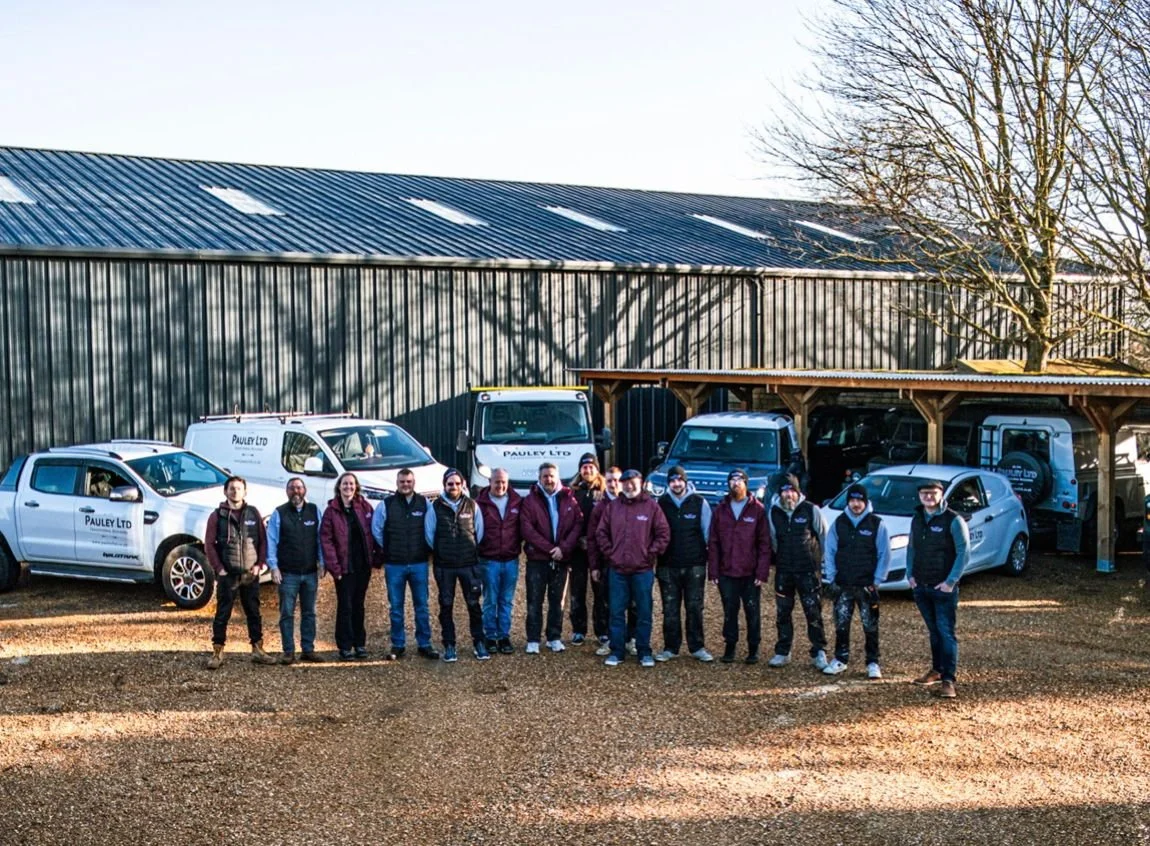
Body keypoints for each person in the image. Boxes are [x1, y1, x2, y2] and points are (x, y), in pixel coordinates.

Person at [595, 468, 671, 668]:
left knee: (644, 611)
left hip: (642, 570)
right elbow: (601, 533)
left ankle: (644, 651)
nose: (629, 485)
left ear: (641, 483)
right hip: (618, 569)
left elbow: (663, 533)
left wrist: (650, 554)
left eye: (633, 482)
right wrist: (611, 554)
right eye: (626, 482)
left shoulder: (652, 507)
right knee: (616, 611)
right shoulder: (613, 507)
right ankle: (617, 651)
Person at [204, 476, 276, 669]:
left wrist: (260, 564)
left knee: (253, 612)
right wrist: (219, 568)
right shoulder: (217, 516)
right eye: (232, 489)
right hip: (228, 574)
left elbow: (262, 540)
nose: (235, 492)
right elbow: (209, 544)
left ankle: (258, 649)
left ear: (245, 492)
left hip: (250, 574)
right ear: (225, 491)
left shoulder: (253, 513)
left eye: (239, 489)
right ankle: (217, 651)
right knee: (223, 613)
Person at [907, 478, 969, 699]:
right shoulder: (917, 518)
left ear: (941, 494)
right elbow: (911, 547)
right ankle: (936, 669)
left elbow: (963, 553)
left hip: (943, 587)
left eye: (932, 493)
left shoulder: (953, 520)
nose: (928, 497)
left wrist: (950, 582)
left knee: (946, 632)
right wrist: (909, 574)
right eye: (924, 493)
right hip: (921, 585)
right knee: (933, 631)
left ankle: (948, 680)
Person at [370, 467, 439, 661]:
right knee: (396, 607)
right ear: (397, 483)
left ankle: (424, 644)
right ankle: (398, 644)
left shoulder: (425, 504)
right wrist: (390, 548)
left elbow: (431, 530)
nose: (405, 485)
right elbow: (377, 530)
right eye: (402, 482)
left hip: (419, 563)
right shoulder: (386, 505)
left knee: (422, 606)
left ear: (414, 483)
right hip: (395, 565)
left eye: (408, 481)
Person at [822, 483, 890, 679]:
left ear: (866, 501)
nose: (856, 504)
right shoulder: (839, 523)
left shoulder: (877, 524)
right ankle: (840, 659)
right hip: (843, 584)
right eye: (852, 500)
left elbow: (884, 553)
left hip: (867, 585)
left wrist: (877, 580)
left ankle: (873, 662)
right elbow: (830, 550)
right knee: (841, 624)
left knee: (870, 625)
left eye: (859, 500)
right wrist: (832, 576)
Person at [766, 473, 830, 671]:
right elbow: (774, 541)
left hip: (808, 571)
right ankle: (783, 651)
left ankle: (819, 651)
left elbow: (824, 536)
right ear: (780, 493)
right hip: (784, 571)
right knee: (783, 613)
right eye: (785, 491)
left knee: (813, 612)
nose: (789, 495)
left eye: (792, 490)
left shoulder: (811, 510)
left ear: (798, 492)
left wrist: (824, 564)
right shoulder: (773, 513)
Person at [707, 468, 771, 664]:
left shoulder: (757, 510)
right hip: (727, 571)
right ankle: (730, 646)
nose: (736, 483)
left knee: (752, 611)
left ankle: (754, 648)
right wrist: (714, 570)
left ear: (746, 483)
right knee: (729, 611)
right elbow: (714, 541)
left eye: (740, 480)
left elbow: (764, 543)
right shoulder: (720, 510)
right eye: (732, 480)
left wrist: (762, 571)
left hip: (750, 572)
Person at [519, 462, 583, 654]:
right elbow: (527, 529)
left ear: (558, 477)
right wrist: (550, 549)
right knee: (534, 600)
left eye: (551, 476)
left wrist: (563, 548)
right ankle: (533, 639)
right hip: (538, 558)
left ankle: (554, 637)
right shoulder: (530, 501)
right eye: (545, 476)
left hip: (561, 558)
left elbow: (577, 524)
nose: (548, 479)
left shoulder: (569, 499)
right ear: (539, 478)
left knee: (558, 601)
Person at [424, 468, 487, 662]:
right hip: (445, 566)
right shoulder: (434, 508)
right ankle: (449, 645)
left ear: (463, 485)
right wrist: (441, 552)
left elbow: (479, 532)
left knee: (474, 604)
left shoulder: (472, 505)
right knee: (446, 605)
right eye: (450, 484)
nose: (454, 487)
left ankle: (479, 642)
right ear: (444, 485)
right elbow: (429, 535)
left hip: (469, 564)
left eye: (457, 483)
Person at [654, 465, 714, 663]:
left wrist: (711, 561)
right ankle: (671, 647)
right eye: (672, 480)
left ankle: (697, 646)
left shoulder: (699, 503)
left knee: (694, 607)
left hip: (694, 564)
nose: (676, 484)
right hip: (667, 565)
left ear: (685, 482)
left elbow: (708, 534)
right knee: (670, 608)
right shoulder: (660, 504)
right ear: (668, 483)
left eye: (680, 480)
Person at [320, 472, 378, 661]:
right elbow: (326, 540)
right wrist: (334, 567)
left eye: (351, 484)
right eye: (345, 484)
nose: (348, 487)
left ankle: (360, 644)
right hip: (343, 568)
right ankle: (345, 646)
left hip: (362, 566)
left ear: (356, 486)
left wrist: (376, 557)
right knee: (345, 606)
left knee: (359, 605)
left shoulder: (364, 506)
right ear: (339, 487)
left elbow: (373, 530)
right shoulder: (332, 511)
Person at [267, 477, 325, 664]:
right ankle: (288, 651)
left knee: (309, 613)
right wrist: (273, 567)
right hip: (288, 573)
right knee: (287, 613)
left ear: (305, 490)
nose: (296, 491)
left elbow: (320, 540)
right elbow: (271, 542)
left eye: (299, 488)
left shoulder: (314, 511)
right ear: (287, 491)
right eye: (292, 488)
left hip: (310, 573)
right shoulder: (279, 513)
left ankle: (308, 649)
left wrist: (322, 562)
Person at [588, 466, 634, 656]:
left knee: (633, 602)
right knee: (608, 602)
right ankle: (609, 638)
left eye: (616, 480)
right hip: (609, 562)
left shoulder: (634, 502)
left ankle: (631, 639)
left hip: (633, 562)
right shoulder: (600, 506)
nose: (613, 484)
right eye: (609, 481)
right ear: (604, 482)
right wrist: (595, 565)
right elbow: (593, 537)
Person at [475, 467, 522, 655]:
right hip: (489, 559)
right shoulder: (480, 503)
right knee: (490, 600)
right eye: (497, 482)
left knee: (506, 600)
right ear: (490, 482)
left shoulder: (517, 501)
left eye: (503, 482)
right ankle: (490, 635)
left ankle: (504, 635)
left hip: (511, 559)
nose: (500, 485)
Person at [568, 453, 605, 646]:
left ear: (597, 469)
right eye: (584, 467)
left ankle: (602, 630)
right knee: (577, 590)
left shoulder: (605, 492)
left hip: (599, 549)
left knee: (601, 590)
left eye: (591, 467)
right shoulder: (573, 492)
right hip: (577, 549)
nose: (588, 470)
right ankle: (578, 629)